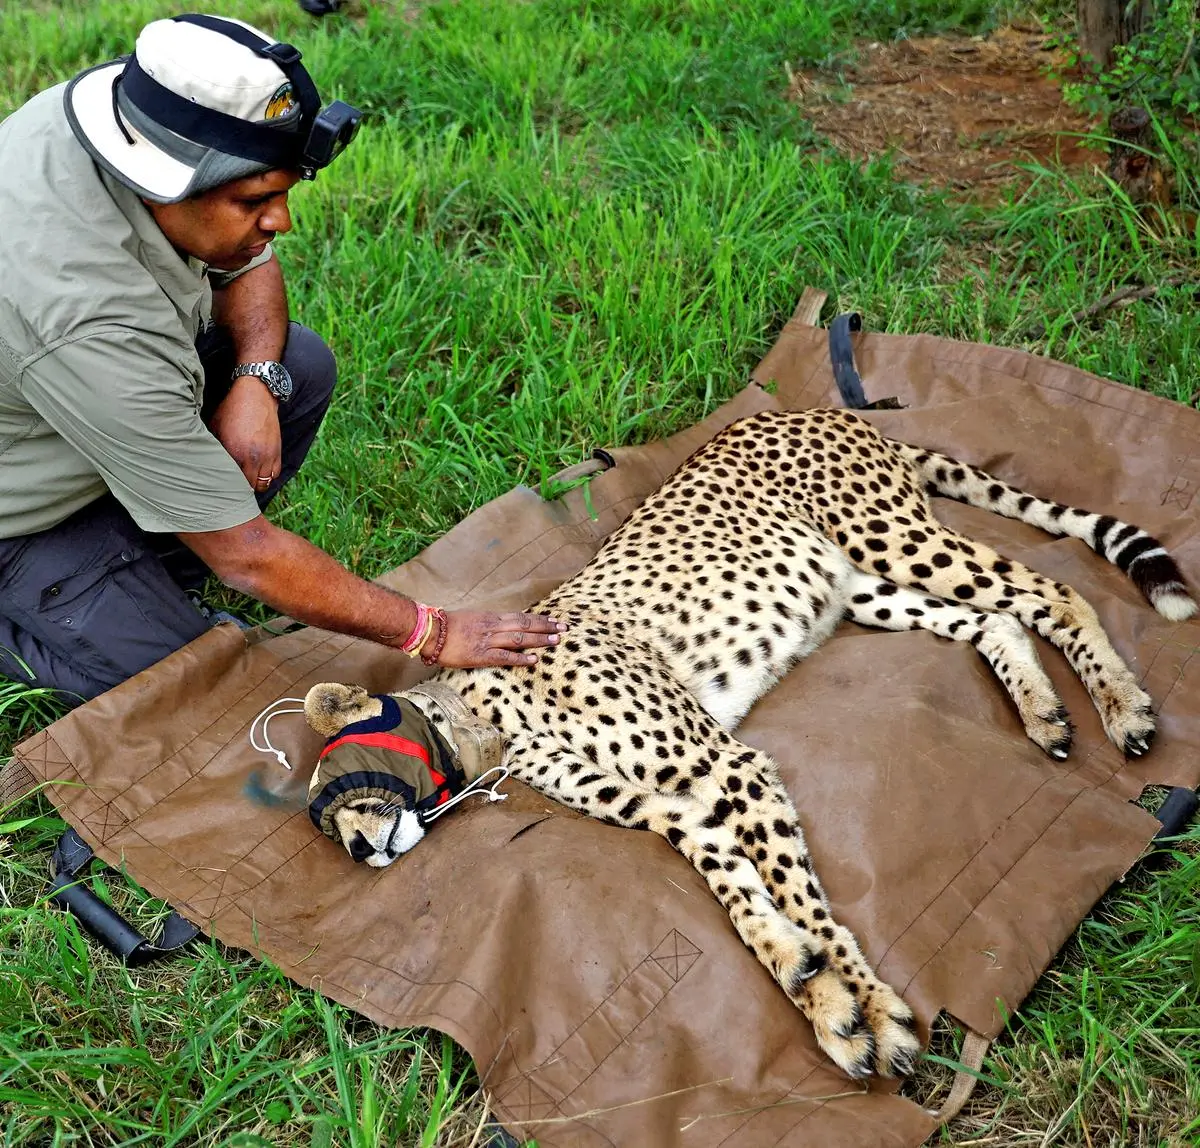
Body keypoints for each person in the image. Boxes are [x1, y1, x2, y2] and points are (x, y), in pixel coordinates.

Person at [0, 13, 564, 704]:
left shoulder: (134, 125)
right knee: (197, 690)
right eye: (256, 200)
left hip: (79, 422)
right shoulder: (86, 318)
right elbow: (248, 556)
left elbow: (251, 264)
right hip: (18, 522)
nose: (281, 223)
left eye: (284, 193)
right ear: (161, 185)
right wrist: (432, 632)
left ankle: (144, 566)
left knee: (297, 363)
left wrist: (254, 381)